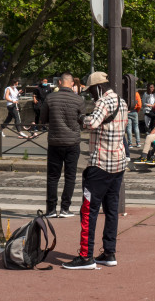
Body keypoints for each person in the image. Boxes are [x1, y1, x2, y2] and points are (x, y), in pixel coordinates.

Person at [63, 71, 127, 270]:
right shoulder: (122, 103)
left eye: (91, 91)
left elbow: (93, 123)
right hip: (118, 164)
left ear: (98, 87)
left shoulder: (102, 102)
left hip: (100, 164)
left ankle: (85, 256)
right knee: (111, 210)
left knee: (88, 211)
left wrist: (82, 118)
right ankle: (109, 252)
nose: (91, 95)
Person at [41, 72, 84, 218]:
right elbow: (82, 121)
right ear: (72, 83)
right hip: (72, 142)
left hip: (55, 141)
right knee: (70, 176)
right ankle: (65, 208)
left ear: (59, 82)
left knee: (53, 177)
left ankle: (51, 209)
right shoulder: (78, 100)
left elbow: (43, 119)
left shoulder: (50, 98)